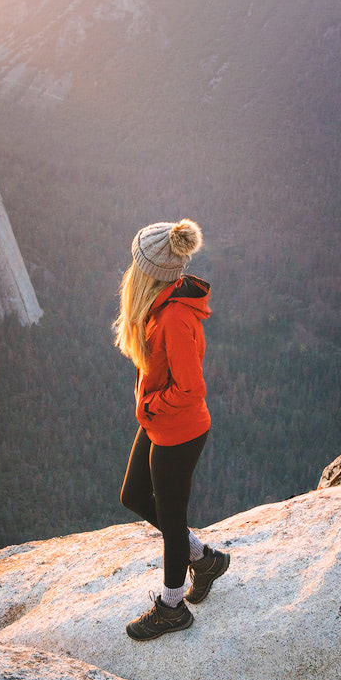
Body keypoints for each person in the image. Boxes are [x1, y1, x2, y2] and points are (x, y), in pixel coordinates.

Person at [114, 218, 230, 641]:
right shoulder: (160, 304)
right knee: (133, 496)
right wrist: (150, 404)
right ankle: (205, 560)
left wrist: (151, 404)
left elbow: (191, 388)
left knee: (170, 515)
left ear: (149, 271)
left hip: (178, 430)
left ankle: (172, 606)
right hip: (160, 423)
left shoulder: (176, 317)